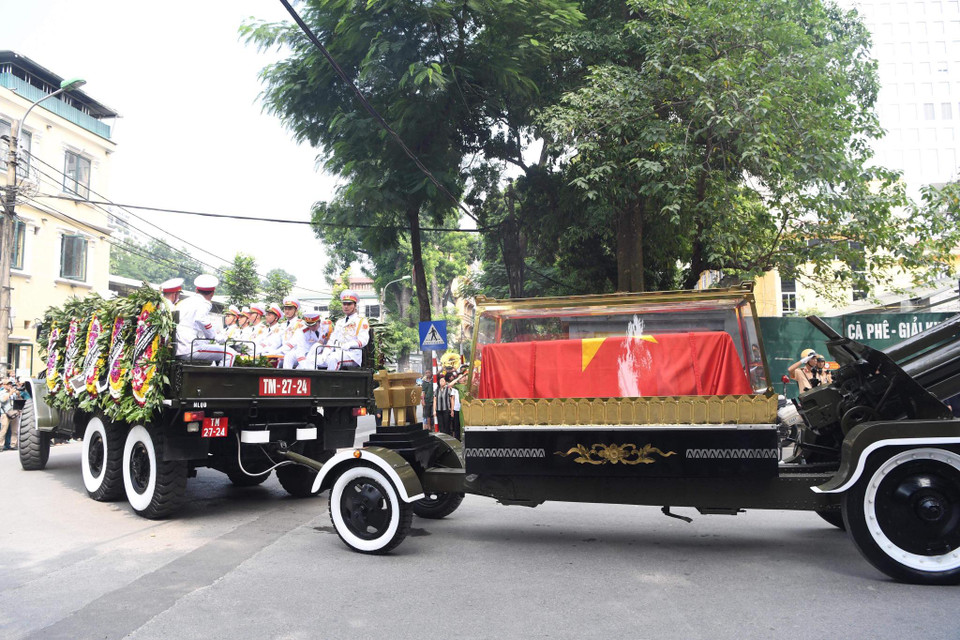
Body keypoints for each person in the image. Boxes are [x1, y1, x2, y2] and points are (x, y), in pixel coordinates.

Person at [174, 275, 237, 366]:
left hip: (179, 348)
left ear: (196, 290)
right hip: (190, 348)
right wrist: (213, 336)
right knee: (230, 353)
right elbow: (201, 319)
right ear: (212, 293)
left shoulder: (184, 302)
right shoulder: (204, 303)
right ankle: (220, 380)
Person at [320, 290, 370, 370]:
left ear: (354, 305)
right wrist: (325, 352)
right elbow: (332, 340)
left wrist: (350, 344)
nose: (346, 306)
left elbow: (364, 340)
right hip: (337, 352)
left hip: (352, 355)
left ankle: (329, 382)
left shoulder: (361, 321)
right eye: (344, 304)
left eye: (349, 304)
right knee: (316, 360)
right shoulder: (340, 322)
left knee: (333, 359)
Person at [0, 379, 18, 450]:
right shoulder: (2, 392)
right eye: (8, 384)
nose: (9, 385)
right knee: (3, 431)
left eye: (10, 384)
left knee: (15, 430)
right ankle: (1, 445)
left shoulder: (13, 393)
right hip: (5, 413)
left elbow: (17, 401)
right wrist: (10, 393)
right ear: (4, 385)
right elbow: (3, 400)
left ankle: (13, 445)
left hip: (14, 412)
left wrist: (18, 394)